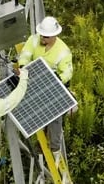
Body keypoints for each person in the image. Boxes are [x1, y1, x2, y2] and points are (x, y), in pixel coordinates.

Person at [16, 16, 73, 152]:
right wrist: (23, 67)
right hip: (34, 78)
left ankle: (54, 146)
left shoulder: (63, 51)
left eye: (46, 37)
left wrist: (58, 79)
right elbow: (25, 54)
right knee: (33, 110)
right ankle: (38, 142)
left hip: (53, 83)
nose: (43, 38)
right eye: (42, 35)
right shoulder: (34, 40)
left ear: (55, 36)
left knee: (55, 113)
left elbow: (68, 72)